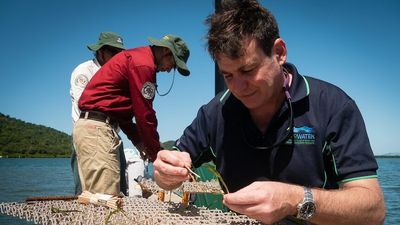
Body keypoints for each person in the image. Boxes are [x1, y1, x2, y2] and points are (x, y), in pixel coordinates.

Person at [153, 1, 386, 224]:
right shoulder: (216, 112)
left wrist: (295, 200)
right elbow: (170, 166)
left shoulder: (333, 106)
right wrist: (166, 173)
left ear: (279, 52)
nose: (238, 88)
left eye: (248, 69)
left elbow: (373, 210)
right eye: (228, 75)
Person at [74, 34, 190, 196]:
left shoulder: (137, 58)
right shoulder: (144, 65)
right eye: (174, 63)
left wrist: (139, 142)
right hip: (98, 130)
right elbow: (144, 114)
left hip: (94, 129)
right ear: (165, 51)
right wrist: (157, 154)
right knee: (105, 200)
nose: (171, 69)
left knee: (95, 197)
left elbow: (123, 116)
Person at [69, 31, 126, 195]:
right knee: (85, 193)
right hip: (90, 136)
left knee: (120, 189)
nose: (117, 56)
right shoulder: (84, 71)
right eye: (113, 52)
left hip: (113, 135)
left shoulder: (119, 74)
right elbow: (85, 103)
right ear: (101, 51)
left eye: (120, 53)